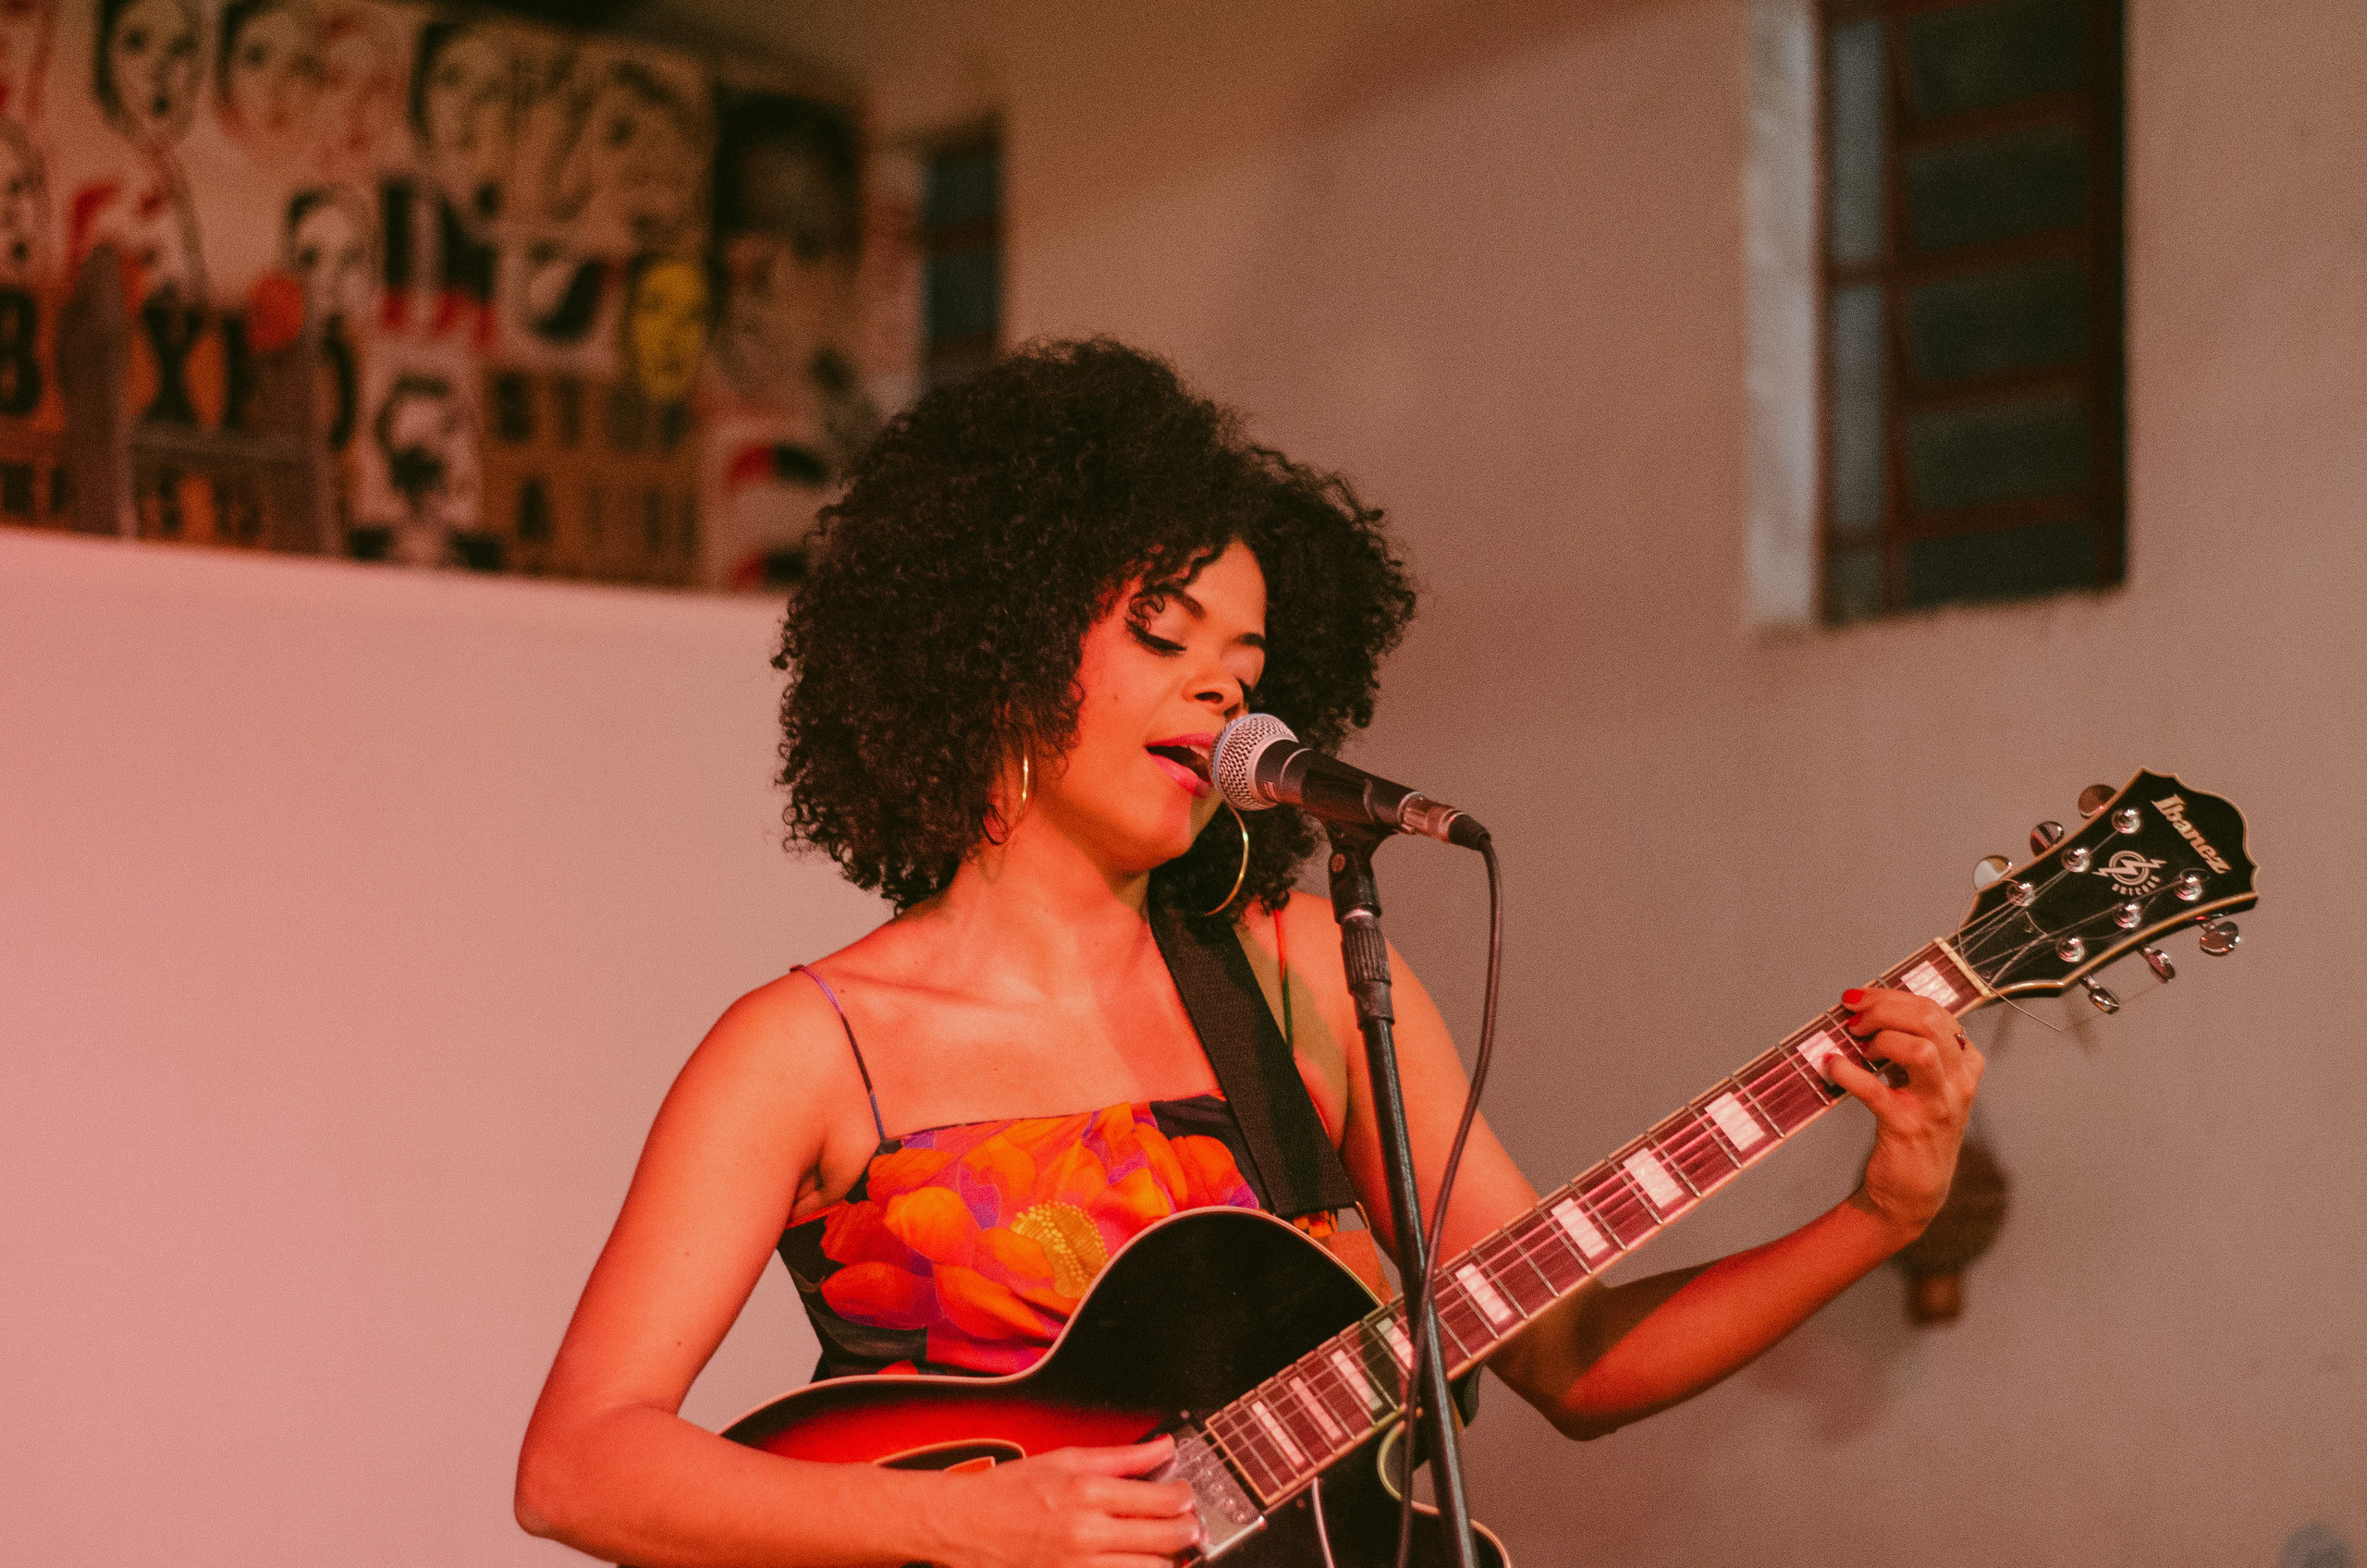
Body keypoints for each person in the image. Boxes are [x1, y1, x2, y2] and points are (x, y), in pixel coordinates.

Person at [516, 338, 1983, 1566]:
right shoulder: (809, 1048)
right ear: (998, 649)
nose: (1224, 685)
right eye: (1166, 634)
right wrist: (970, 1527)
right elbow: (578, 1468)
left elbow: (1573, 1360)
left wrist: (1879, 1216)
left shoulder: (1300, 973)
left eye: (1251, 662)